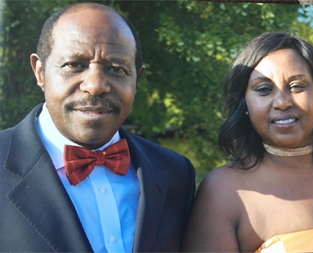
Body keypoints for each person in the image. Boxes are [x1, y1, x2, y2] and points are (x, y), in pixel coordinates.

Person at [0, 2, 195, 252]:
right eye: (74, 65)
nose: (95, 85)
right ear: (40, 72)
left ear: (137, 80)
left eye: (116, 69)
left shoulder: (175, 174)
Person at [181, 32, 313, 252]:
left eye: (297, 86)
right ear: (244, 104)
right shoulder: (224, 191)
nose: (282, 102)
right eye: (264, 89)